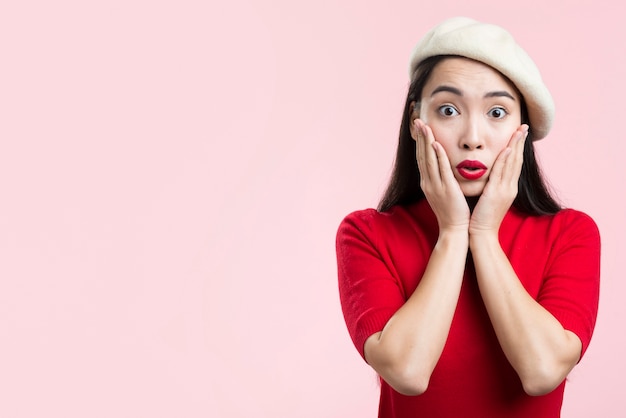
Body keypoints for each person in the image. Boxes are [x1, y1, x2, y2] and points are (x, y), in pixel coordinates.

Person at [336, 17, 600, 417]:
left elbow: (542, 370)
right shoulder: (367, 233)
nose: (472, 137)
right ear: (415, 121)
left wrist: (485, 236)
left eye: (496, 112)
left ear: (521, 130)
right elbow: (407, 372)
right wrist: (453, 231)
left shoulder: (569, 234)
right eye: (448, 109)